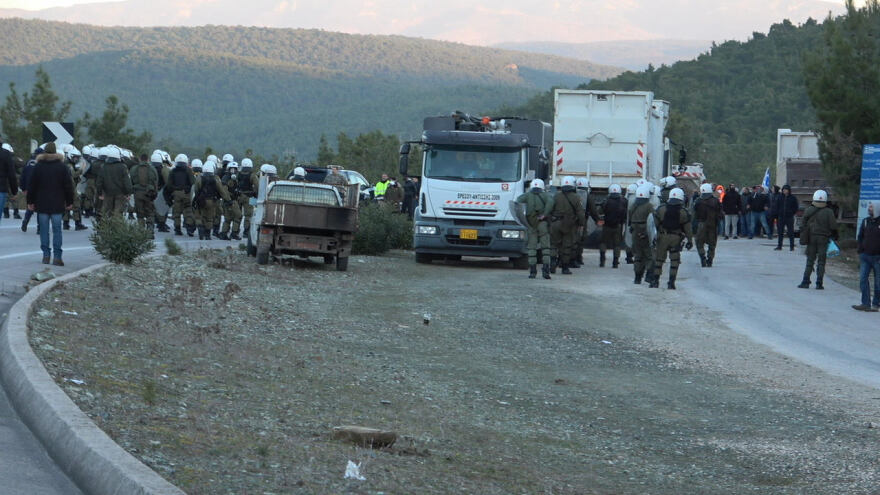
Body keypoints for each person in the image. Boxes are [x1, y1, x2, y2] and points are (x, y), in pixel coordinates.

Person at [26, 143, 74, 266]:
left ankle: (46, 255)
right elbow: (68, 186)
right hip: (57, 204)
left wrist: (30, 202)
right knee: (57, 230)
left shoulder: (38, 166)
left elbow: (32, 186)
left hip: (42, 204)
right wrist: (69, 202)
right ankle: (57, 257)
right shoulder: (62, 167)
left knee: (44, 230)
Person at [651, 187, 693, 290]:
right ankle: (671, 282)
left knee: (659, 260)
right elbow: (688, 229)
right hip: (676, 238)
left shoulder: (661, 209)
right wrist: (690, 241)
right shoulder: (683, 212)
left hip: (662, 237)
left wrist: (653, 238)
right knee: (674, 261)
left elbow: (653, 225)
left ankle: (655, 281)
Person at [798, 190, 838, 290]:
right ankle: (819, 283)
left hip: (811, 238)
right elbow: (833, 226)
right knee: (821, 261)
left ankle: (805, 281)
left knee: (810, 260)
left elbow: (802, 225)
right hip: (823, 239)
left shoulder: (808, 210)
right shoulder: (829, 211)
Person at [516, 178, 554, 279]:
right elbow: (551, 203)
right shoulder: (546, 195)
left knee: (532, 248)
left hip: (531, 224)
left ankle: (532, 272)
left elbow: (518, 201)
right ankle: (546, 271)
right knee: (545, 248)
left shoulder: (527, 195)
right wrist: (544, 214)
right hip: (542, 224)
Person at [550, 176, 585, 275]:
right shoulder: (576, 197)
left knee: (553, 244)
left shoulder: (556, 196)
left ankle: (552, 262)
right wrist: (582, 224)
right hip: (569, 224)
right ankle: (565, 268)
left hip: (555, 223)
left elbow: (550, 209)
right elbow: (580, 213)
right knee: (567, 246)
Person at [192, 161, 230, 240]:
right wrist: (227, 200)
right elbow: (221, 191)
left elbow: (196, 190)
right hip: (212, 201)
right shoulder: (216, 179)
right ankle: (207, 235)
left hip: (201, 200)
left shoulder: (199, 177)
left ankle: (200, 229)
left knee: (199, 216)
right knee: (209, 218)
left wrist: (196, 199)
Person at [853, 201, 880, 311]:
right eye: (869, 207)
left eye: (871, 207)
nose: (869, 209)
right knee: (863, 279)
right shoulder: (865, 222)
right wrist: (860, 250)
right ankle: (865, 303)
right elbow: (860, 237)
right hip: (865, 256)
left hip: (878, 258)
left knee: (878, 283)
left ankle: (876, 304)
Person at [96, 146, 133, 218]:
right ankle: (116, 228)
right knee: (118, 213)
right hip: (120, 194)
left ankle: (104, 227)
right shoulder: (123, 167)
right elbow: (127, 182)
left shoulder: (103, 167)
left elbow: (99, 182)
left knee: (105, 212)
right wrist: (128, 193)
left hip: (107, 193)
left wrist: (100, 193)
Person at [629, 183, 655, 285]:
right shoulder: (649, 206)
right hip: (645, 231)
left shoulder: (634, 205)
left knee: (638, 255)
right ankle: (649, 275)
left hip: (635, 230)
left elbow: (630, 215)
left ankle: (637, 277)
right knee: (648, 255)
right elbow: (653, 220)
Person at [165, 154, 195, 236]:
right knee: (188, 210)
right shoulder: (188, 171)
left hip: (176, 193)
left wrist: (174, 191)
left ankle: (177, 229)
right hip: (186, 193)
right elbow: (193, 183)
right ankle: (189, 228)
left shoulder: (173, 171)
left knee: (176, 212)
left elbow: (169, 185)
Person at [598, 183, 627, 268]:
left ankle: (602, 261)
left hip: (607, 225)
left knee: (603, 242)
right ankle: (615, 262)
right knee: (617, 245)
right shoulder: (624, 201)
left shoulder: (606, 201)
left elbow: (600, 211)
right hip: (618, 226)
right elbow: (626, 214)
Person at [129, 152, 158, 233]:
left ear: (140, 159)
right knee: (150, 212)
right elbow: (155, 182)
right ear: (148, 159)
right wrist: (155, 193)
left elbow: (130, 182)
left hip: (137, 193)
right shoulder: (152, 169)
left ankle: (141, 232)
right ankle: (150, 230)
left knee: (140, 213)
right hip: (149, 193)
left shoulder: (134, 169)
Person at [693, 183, 721, 267]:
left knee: (699, 242)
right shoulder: (716, 201)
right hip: (713, 224)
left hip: (701, 224)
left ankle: (702, 257)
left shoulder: (698, 201)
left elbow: (694, 214)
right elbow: (720, 213)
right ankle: (710, 260)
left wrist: (693, 226)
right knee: (712, 244)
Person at [219, 161, 243, 240]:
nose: (233, 171)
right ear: (228, 169)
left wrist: (237, 192)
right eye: (231, 169)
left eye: (235, 169)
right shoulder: (226, 178)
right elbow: (224, 190)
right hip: (231, 201)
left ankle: (224, 233)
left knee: (228, 218)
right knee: (239, 216)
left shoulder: (234, 178)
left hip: (230, 200)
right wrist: (229, 200)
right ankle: (234, 233)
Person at [774, 185, 798, 251]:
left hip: (789, 217)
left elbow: (795, 207)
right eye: (783, 189)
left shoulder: (793, 198)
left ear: (789, 190)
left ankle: (792, 246)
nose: (784, 190)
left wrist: (791, 213)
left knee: (790, 232)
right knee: (780, 232)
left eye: (786, 189)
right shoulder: (780, 197)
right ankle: (779, 246)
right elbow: (776, 206)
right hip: (781, 217)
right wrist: (777, 214)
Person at [0, 140, 17, 225]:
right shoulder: (6, 154)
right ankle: (13, 212)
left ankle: (8, 212)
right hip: (2, 186)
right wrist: (15, 190)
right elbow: (12, 174)